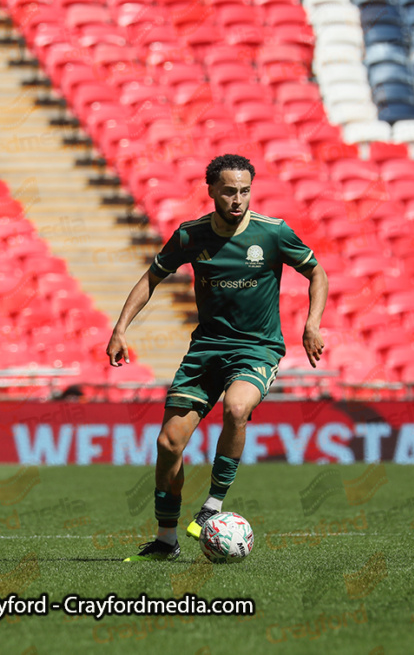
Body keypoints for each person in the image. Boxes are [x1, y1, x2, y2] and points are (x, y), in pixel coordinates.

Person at [106, 154, 329, 561]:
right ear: (210, 190)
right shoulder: (191, 236)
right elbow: (151, 278)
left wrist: (312, 323)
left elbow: (317, 271)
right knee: (168, 444)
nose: (237, 199)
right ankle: (166, 541)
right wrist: (121, 328)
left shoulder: (273, 233)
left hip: (257, 349)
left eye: (244, 190)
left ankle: (213, 506)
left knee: (236, 406)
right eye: (228, 191)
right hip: (206, 351)